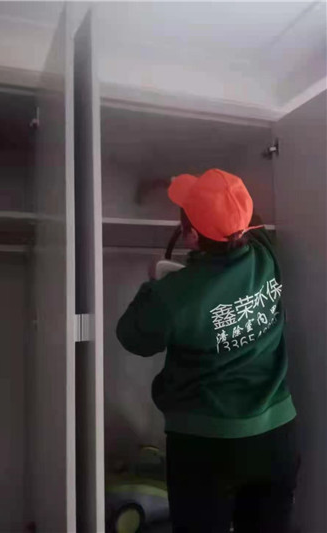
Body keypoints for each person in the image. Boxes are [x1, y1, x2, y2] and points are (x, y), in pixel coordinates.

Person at [116, 169, 299, 533]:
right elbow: (250, 217)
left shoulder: (173, 295)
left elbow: (131, 336)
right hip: (276, 438)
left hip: (205, 446)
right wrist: (205, 197)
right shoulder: (266, 257)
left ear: (192, 236)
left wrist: (153, 286)